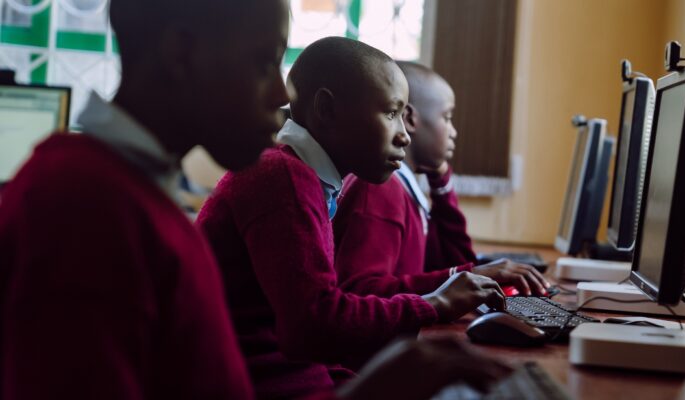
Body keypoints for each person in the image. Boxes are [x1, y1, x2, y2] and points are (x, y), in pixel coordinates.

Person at [0, 2, 509, 399]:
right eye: (264, 63)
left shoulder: (126, 193)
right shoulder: (84, 210)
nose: (280, 98)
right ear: (182, 54)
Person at [196, 36, 507, 399]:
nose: (404, 136)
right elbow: (313, 323)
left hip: (290, 375)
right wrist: (433, 304)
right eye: (391, 114)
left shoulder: (305, 179)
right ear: (327, 110)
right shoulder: (284, 179)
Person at [332, 61, 550, 298]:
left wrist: (441, 182)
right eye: (446, 117)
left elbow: (454, 260)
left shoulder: (404, 187)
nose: (453, 131)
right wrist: (469, 273)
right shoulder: (378, 189)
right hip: (390, 335)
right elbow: (361, 293)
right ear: (410, 120)